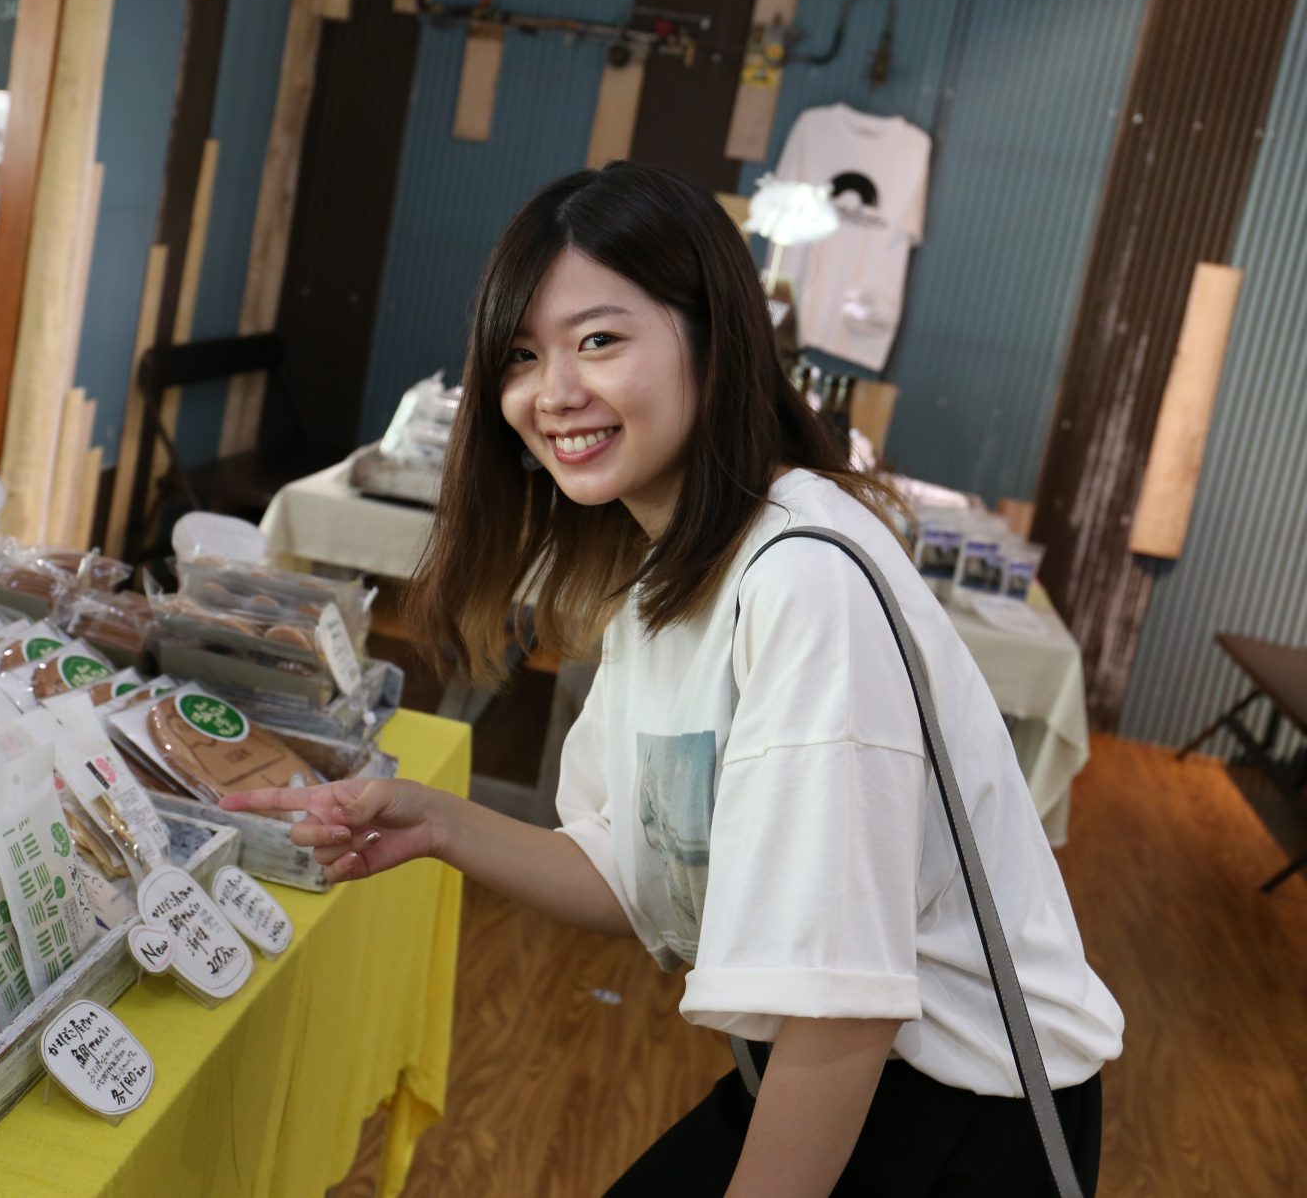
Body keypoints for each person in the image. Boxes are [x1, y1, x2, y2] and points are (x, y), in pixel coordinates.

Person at [223, 162, 1122, 1196]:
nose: (553, 393)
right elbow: (635, 866)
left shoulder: (803, 580)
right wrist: (432, 822)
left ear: (713, 340)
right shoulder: (671, 569)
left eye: (599, 340)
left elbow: (845, 1008)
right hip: (830, 1069)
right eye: (521, 354)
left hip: (961, 1114)